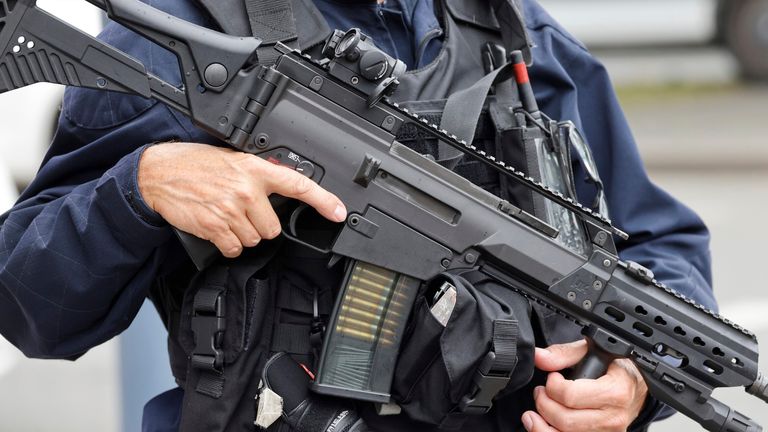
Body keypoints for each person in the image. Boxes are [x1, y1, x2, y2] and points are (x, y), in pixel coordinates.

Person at [0, 0, 716, 431]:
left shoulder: (507, 28)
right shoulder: (186, 29)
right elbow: (28, 302)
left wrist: (634, 380)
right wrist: (144, 184)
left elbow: (655, 243)